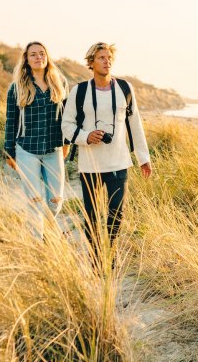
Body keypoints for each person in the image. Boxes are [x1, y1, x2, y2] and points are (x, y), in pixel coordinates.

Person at [61, 42, 151, 258]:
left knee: (116, 214)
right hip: (90, 165)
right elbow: (66, 124)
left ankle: (108, 255)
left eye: (109, 57)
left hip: (119, 163)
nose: (106, 61)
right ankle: (94, 256)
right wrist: (86, 136)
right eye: (101, 57)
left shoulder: (125, 88)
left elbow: (135, 124)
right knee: (91, 216)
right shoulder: (79, 91)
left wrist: (143, 158)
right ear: (91, 63)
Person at [4, 41, 69, 240]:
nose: (38, 57)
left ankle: (48, 230)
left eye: (41, 53)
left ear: (47, 57)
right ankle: (37, 242)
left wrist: (66, 144)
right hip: (27, 150)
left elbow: (67, 118)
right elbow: (11, 121)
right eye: (33, 54)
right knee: (34, 200)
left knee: (55, 201)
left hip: (54, 149)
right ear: (27, 59)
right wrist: (9, 152)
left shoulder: (60, 83)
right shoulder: (17, 88)